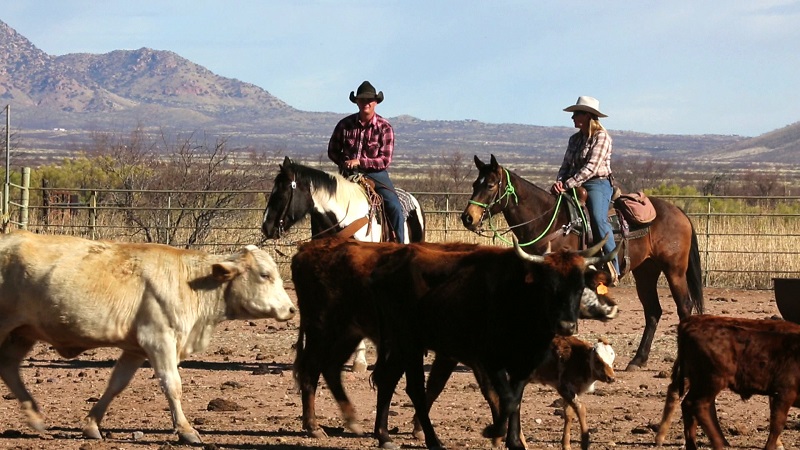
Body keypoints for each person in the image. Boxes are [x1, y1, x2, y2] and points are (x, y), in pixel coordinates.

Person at [551, 96, 619, 280]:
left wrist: (568, 184)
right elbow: (565, 165)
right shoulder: (574, 139)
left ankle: (613, 265)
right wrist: (559, 182)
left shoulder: (602, 137)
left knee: (597, 218)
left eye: (576, 114)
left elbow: (591, 168)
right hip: (573, 183)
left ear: (588, 116)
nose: (572, 117)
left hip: (597, 183)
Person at [328, 80, 405, 243]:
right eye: (362, 99)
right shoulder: (344, 125)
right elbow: (332, 150)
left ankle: (400, 245)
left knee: (394, 206)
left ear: (376, 102)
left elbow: (385, 160)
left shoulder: (384, 127)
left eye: (369, 100)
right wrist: (344, 162)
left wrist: (360, 162)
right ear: (356, 102)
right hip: (347, 174)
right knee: (325, 202)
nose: (366, 103)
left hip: (376, 175)